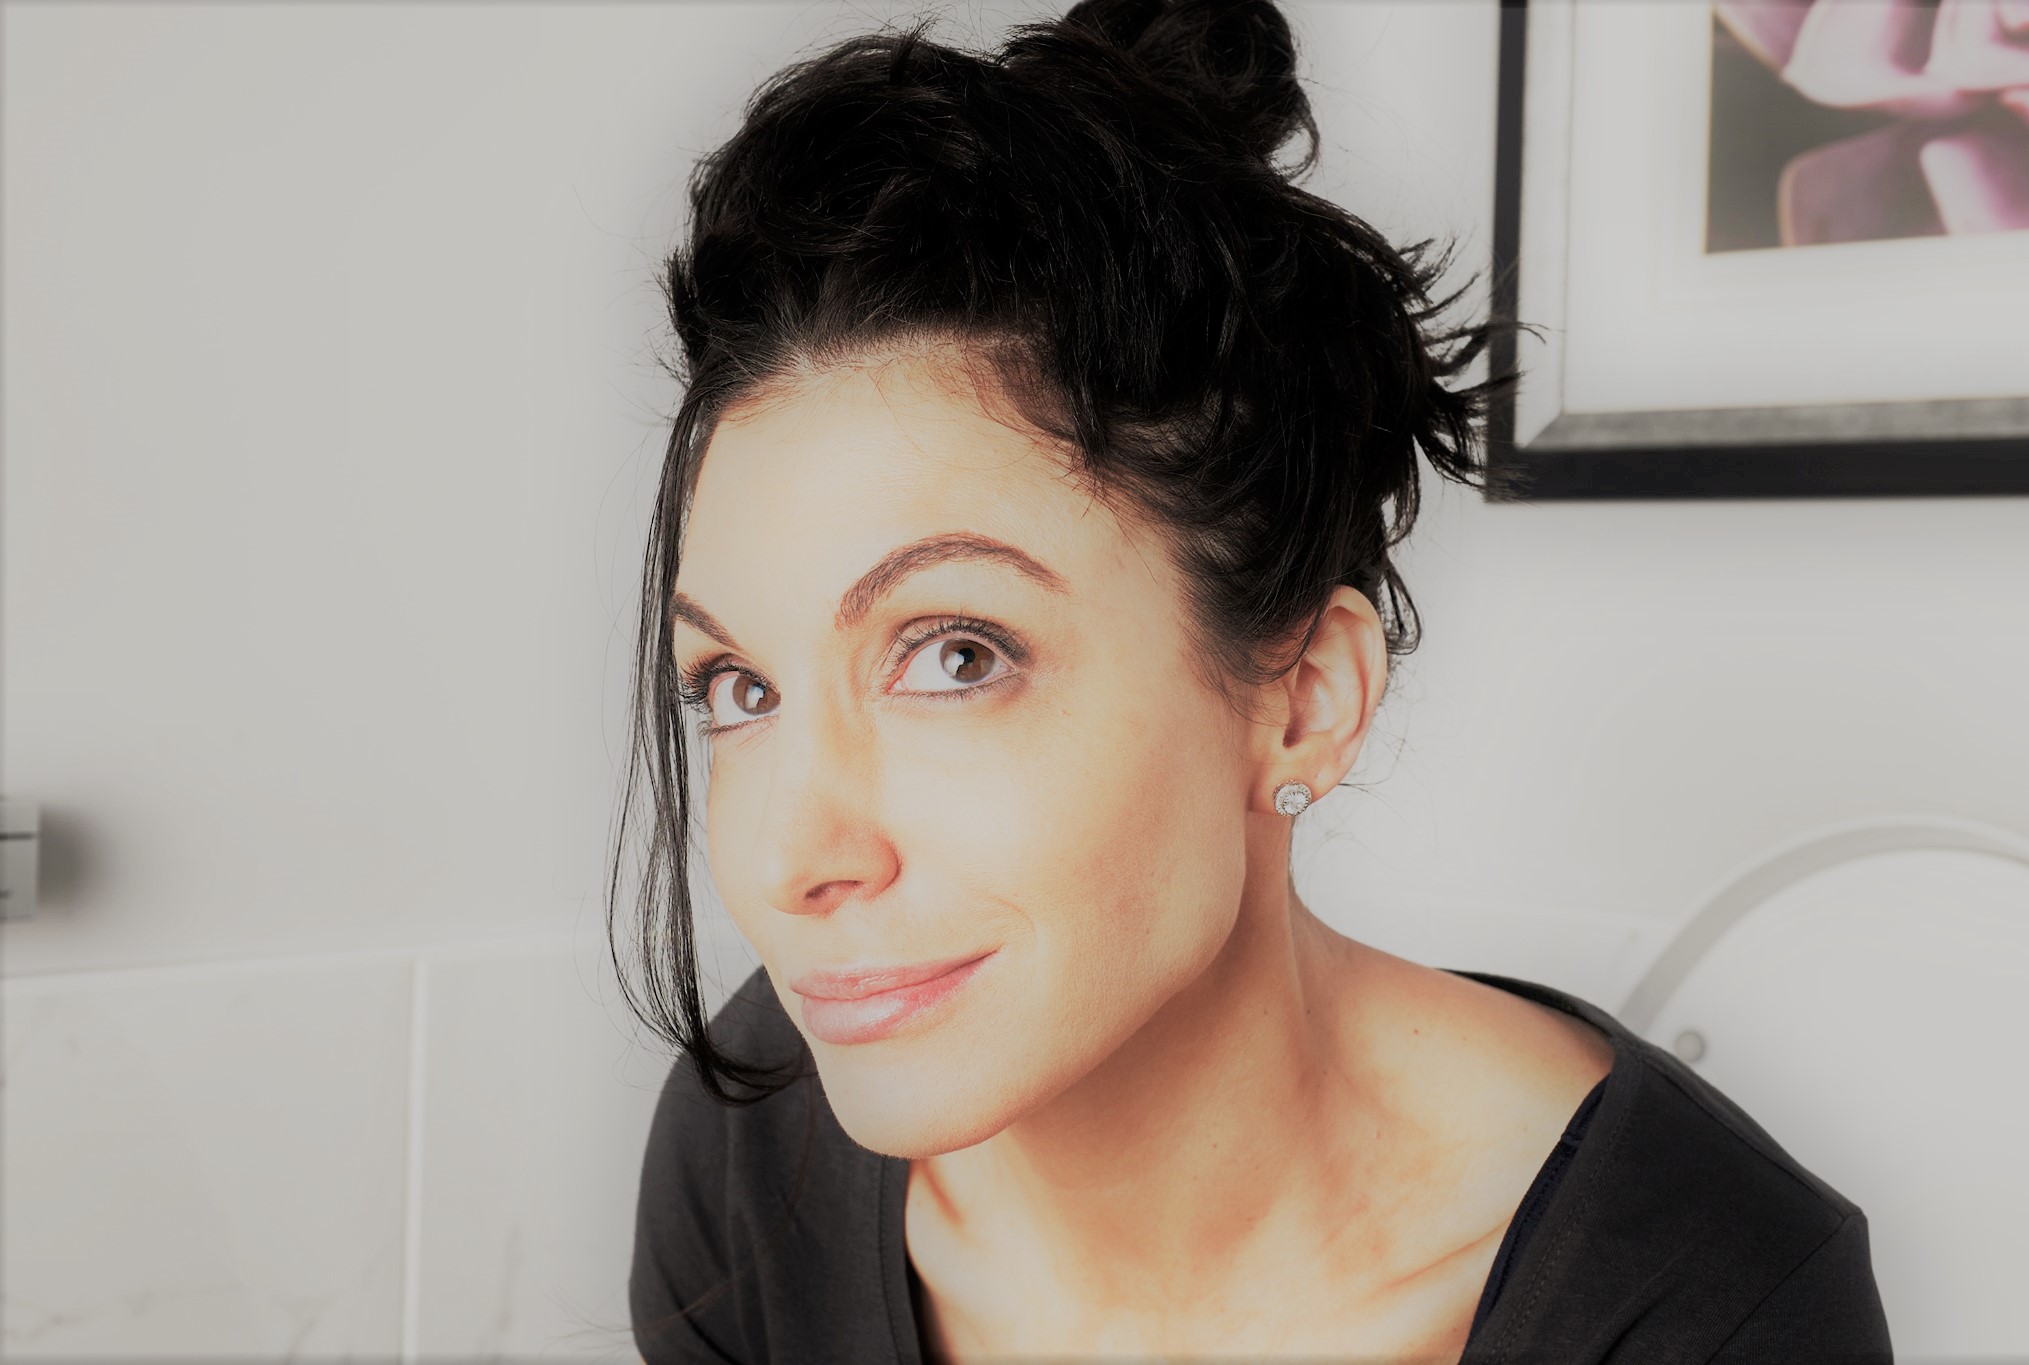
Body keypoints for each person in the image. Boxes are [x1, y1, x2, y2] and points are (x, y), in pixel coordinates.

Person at [615, 1, 1893, 1360]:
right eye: (738, 686)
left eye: (956, 656)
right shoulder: (755, 1136)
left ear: (1303, 700)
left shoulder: (1707, 1301)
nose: (793, 861)